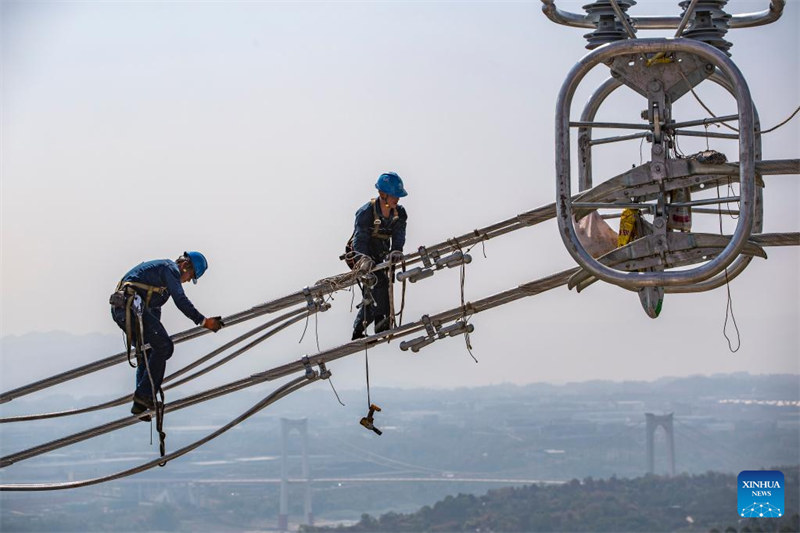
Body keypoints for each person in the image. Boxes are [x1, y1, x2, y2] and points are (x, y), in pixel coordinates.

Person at [110, 251, 224, 417]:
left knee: (150, 350)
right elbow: (180, 300)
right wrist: (203, 321)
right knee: (164, 347)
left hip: (125, 310)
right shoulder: (169, 269)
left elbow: (155, 312)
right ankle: (143, 396)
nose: (186, 281)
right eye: (189, 276)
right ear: (185, 266)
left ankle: (141, 405)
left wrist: (158, 335)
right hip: (128, 308)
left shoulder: (161, 283)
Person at [351, 172, 408, 340]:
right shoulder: (366, 212)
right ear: (383, 195)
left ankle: (380, 323)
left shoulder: (400, 213)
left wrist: (397, 250)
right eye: (394, 195)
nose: (397, 199)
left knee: (384, 285)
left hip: (382, 255)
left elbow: (399, 235)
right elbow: (359, 240)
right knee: (376, 285)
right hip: (362, 256)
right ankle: (361, 330)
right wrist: (363, 260)